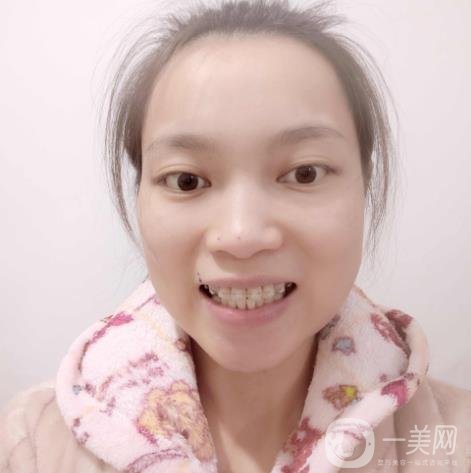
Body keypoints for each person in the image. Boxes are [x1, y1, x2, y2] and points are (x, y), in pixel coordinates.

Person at [1, 1, 469, 472]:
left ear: (363, 186)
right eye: (187, 180)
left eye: (304, 173)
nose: (241, 236)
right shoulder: (30, 446)